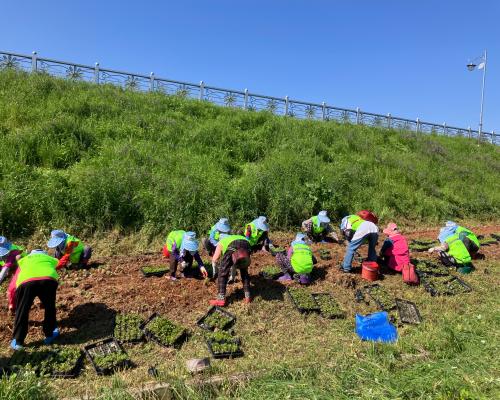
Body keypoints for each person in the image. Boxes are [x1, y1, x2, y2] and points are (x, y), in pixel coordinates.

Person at [10, 250, 61, 350]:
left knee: (22, 310)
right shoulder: (50, 259)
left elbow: (12, 285)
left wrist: (13, 303)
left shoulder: (23, 260)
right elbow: (57, 263)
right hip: (48, 279)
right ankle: (50, 334)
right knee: (49, 306)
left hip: (26, 282)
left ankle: (18, 341)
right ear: (44, 254)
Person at [209, 234, 252, 307]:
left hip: (233, 246)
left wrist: (217, 269)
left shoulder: (221, 242)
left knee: (223, 272)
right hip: (247, 245)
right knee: (244, 271)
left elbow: (215, 259)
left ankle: (221, 299)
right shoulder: (234, 237)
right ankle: (248, 297)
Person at [0, 237, 27, 314]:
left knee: (12, 287)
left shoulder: (13, 252)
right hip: (8, 264)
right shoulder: (6, 250)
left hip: (21, 265)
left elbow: (4, 271)